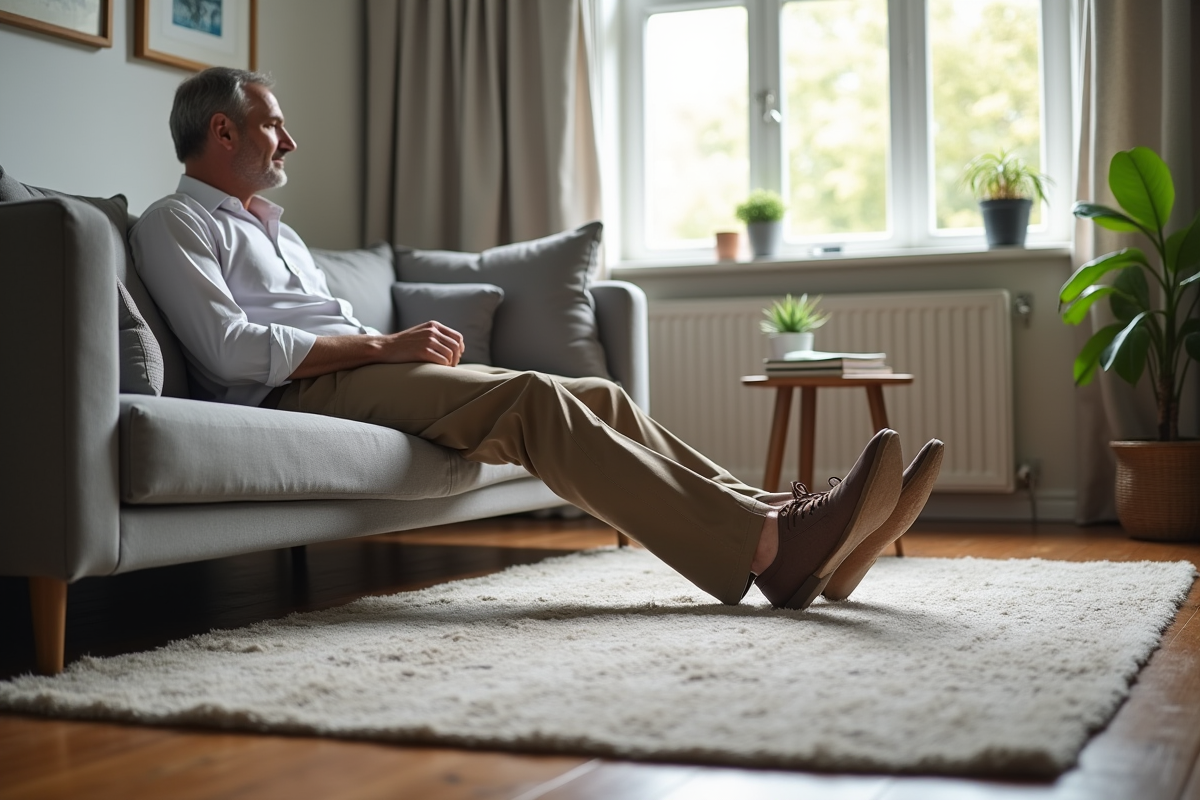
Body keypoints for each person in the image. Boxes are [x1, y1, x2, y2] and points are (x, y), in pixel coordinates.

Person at [131, 68, 942, 611]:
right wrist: (383, 348)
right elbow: (231, 348)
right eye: (274, 125)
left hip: (346, 373)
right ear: (223, 132)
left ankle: (793, 527)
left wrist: (385, 347)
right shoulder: (175, 223)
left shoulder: (280, 231)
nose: (290, 141)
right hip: (294, 392)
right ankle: (770, 550)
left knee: (599, 394)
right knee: (531, 397)